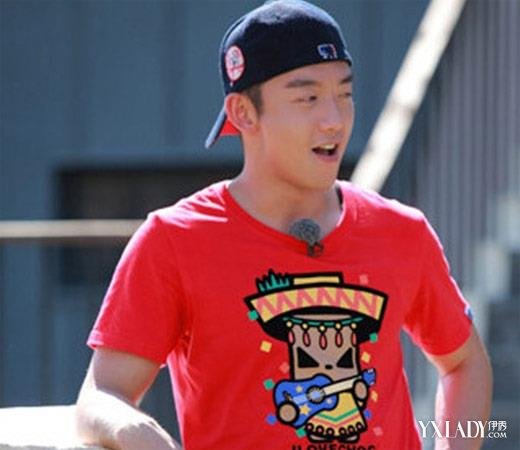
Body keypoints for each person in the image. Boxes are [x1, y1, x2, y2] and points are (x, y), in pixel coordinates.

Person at [75, 1, 492, 449]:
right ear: (243, 113)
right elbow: (102, 394)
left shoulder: (401, 231)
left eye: (344, 94)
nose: (335, 120)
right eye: (308, 98)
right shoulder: (173, 241)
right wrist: (135, 430)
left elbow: (464, 363)